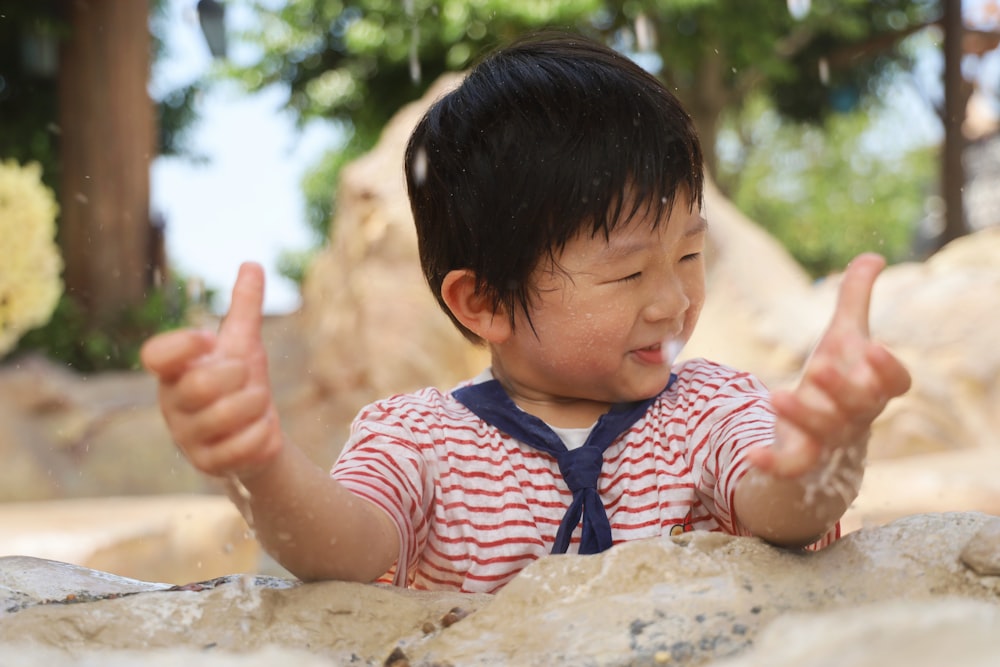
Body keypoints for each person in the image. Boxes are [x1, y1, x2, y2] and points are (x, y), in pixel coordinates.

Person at [141, 32, 911, 595]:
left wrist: (831, 449)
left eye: (687, 255)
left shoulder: (709, 410)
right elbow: (341, 549)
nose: (674, 300)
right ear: (482, 302)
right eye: (631, 271)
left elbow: (781, 510)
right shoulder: (420, 440)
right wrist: (259, 467)